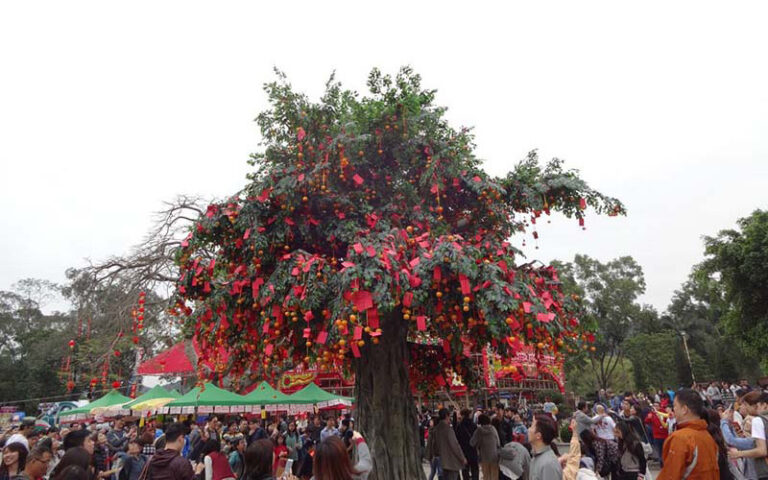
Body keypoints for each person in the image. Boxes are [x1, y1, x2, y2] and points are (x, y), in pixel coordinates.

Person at [657, 388, 720, 480]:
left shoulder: (680, 438)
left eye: (675, 406)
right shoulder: (708, 437)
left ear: (684, 409)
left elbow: (670, 475)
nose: (673, 410)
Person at [728, 390, 768, 480]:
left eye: (746, 405)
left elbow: (762, 451)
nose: (745, 408)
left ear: (763, 405)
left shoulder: (758, 421)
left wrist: (739, 454)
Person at [427, 408, 467, 480]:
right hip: (451, 461)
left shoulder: (436, 429)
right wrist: (462, 458)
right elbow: (455, 445)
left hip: (442, 460)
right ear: (446, 416)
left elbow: (434, 445)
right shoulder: (448, 429)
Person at [528, 414, 562, 480]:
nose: (528, 429)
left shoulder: (549, 464)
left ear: (538, 436)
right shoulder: (535, 458)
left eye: (531, 426)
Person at [470, 414, 500, 480]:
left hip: (484, 457)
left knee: (486, 476)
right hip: (495, 456)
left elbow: (472, 443)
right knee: (495, 476)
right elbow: (498, 443)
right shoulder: (493, 429)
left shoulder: (479, 430)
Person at [454, 409, 478, 480]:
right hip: (473, 450)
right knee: (475, 470)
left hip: (463, 452)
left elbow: (457, 439)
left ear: (463, 415)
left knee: (465, 471)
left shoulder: (459, 426)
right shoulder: (474, 425)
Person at [644, 402, 669, 466]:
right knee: (659, 450)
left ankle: (665, 462)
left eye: (657, 406)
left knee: (665, 450)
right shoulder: (652, 414)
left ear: (659, 406)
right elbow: (646, 421)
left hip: (665, 435)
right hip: (656, 436)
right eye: (654, 406)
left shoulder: (664, 412)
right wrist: (648, 417)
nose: (655, 407)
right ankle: (661, 463)